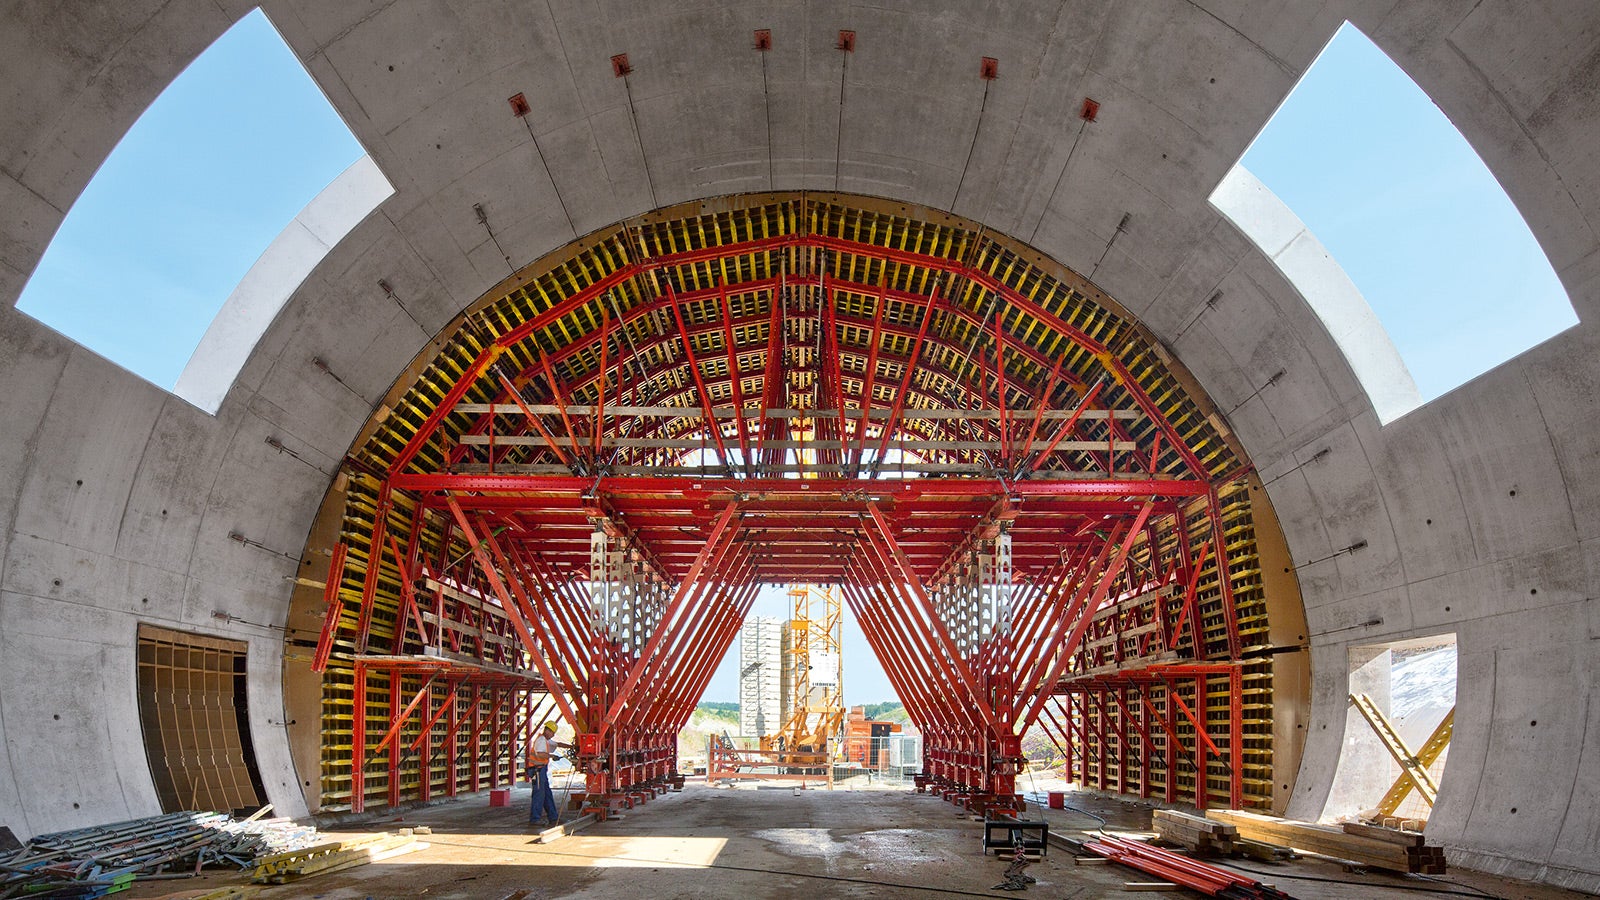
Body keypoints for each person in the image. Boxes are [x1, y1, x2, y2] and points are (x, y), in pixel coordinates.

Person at [527, 720, 571, 828]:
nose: (553, 735)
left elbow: (558, 744)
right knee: (539, 795)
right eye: (552, 733)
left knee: (547, 794)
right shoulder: (541, 740)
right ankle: (535, 818)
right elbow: (541, 754)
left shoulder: (546, 740)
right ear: (548, 730)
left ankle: (553, 817)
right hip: (537, 770)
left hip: (541, 770)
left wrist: (572, 747)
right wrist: (552, 756)